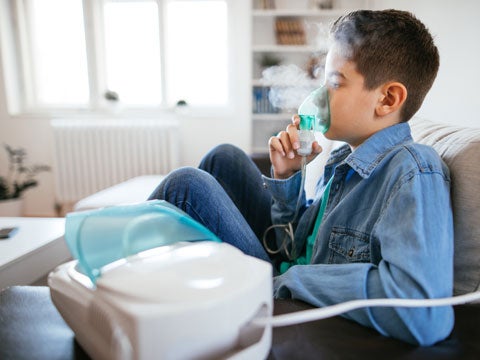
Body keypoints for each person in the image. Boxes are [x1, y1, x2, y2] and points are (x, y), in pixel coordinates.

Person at [149, 9, 454, 346]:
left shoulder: (411, 170)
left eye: (335, 83)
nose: (320, 96)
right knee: (226, 158)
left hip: (283, 289)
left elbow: (424, 313)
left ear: (387, 99)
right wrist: (288, 175)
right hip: (285, 269)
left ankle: (119, 286)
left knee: (187, 186)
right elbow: (291, 247)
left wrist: (293, 279)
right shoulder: (343, 157)